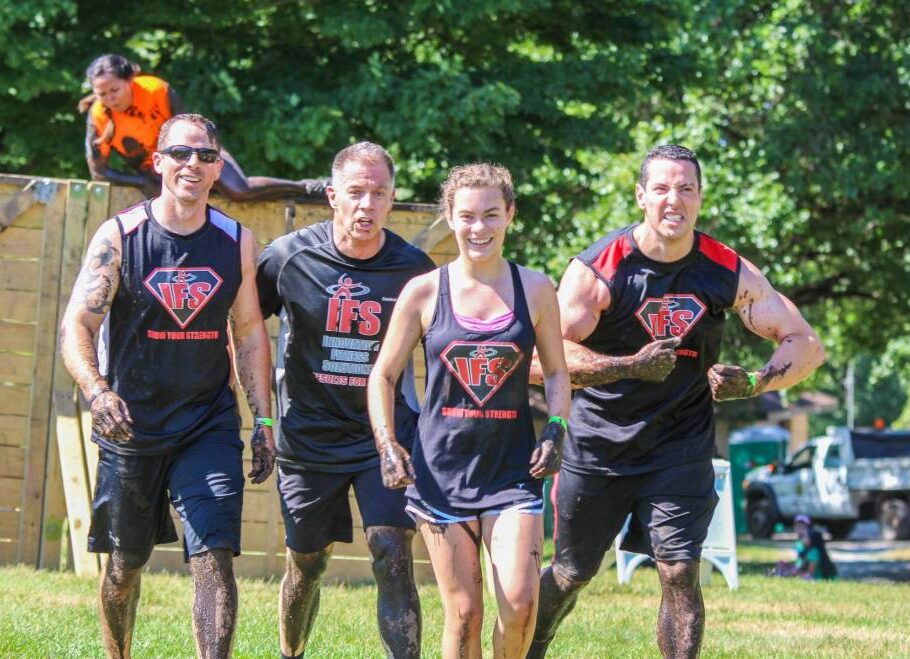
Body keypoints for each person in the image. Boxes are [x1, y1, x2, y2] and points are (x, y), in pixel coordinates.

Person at [527, 144, 827, 659]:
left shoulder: (725, 269)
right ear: (641, 196)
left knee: (681, 569)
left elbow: (806, 345)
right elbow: (539, 361)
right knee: (572, 572)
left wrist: (753, 383)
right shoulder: (601, 269)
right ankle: (531, 645)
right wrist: (626, 366)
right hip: (600, 444)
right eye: (661, 188)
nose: (674, 200)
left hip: (679, 445)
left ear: (700, 198)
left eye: (686, 188)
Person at [59, 112, 275, 659]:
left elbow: (249, 335)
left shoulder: (236, 241)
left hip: (207, 420)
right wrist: (97, 391)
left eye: (205, 156)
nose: (193, 165)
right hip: (131, 422)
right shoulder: (121, 236)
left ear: (218, 166)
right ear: (158, 162)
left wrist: (264, 421)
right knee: (125, 564)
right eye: (181, 153)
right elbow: (77, 326)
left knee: (213, 552)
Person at [368, 163, 571, 659]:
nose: (478, 228)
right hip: (441, 473)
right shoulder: (423, 291)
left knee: (521, 604)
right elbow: (383, 375)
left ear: (510, 216)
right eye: (467, 216)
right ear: (450, 218)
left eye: (491, 215)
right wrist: (388, 444)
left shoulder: (536, 289)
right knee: (464, 615)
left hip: (513, 469)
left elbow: (559, 373)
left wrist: (557, 430)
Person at [256, 142, 434, 658]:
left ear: (392, 197)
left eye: (379, 193)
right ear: (333, 195)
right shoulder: (287, 258)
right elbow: (245, 330)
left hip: (386, 438)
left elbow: (444, 348)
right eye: (356, 192)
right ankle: (291, 651)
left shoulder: (414, 268)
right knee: (308, 563)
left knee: (391, 551)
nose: (367, 205)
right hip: (308, 437)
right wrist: (261, 415)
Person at [79, 53, 326, 201]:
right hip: (157, 172)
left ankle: (308, 186)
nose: (110, 98)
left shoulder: (157, 90)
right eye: (102, 93)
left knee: (239, 190)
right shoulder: (98, 116)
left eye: (114, 90)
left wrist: (200, 161)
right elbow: (99, 172)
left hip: (196, 149)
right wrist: (140, 181)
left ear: (130, 81)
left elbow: (188, 126)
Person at [773, 515, 837, 580]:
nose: (799, 530)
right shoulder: (799, 545)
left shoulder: (813, 552)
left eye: (802, 527)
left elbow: (809, 575)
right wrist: (787, 566)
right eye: (797, 526)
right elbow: (799, 564)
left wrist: (791, 573)